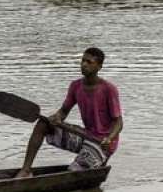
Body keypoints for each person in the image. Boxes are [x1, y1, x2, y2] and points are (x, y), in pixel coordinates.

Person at [14, 47, 123, 179]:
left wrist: (109, 138)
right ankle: (26, 170)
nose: (84, 64)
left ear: (99, 66)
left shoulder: (108, 89)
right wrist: (56, 117)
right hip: (85, 135)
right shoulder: (75, 86)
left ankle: (98, 158)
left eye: (89, 62)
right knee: (43, 124)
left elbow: (119, 122)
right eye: (83, 60)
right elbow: (64, 111)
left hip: (102, 143)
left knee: (74, 172)